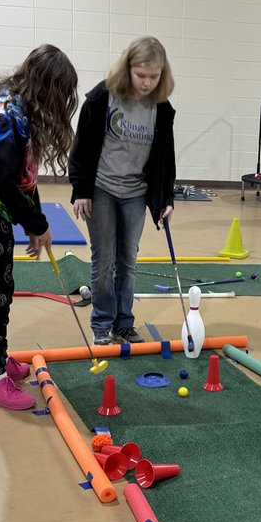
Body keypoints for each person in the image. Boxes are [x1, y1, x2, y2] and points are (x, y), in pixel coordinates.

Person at [0, 45, 78, 410]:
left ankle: (0, 361)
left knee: (2, 290)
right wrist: (36, 223)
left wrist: (34, 220)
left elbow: (24, 177)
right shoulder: (7, 118)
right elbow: (3, 181)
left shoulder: (19, 110)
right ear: (47, 87)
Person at [69, 36, 176, 345]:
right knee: (104, 260)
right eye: (141, 75)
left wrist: (165, 198)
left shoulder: (162, 108)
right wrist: (81, 189)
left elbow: (165, 158)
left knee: (128, 260)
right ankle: (102, 325)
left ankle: (123, 323)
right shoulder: (103, 97)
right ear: (128, 68)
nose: (147, 83)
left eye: (154, 76)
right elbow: (82, 147)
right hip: (101, 187)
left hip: (136, 193)